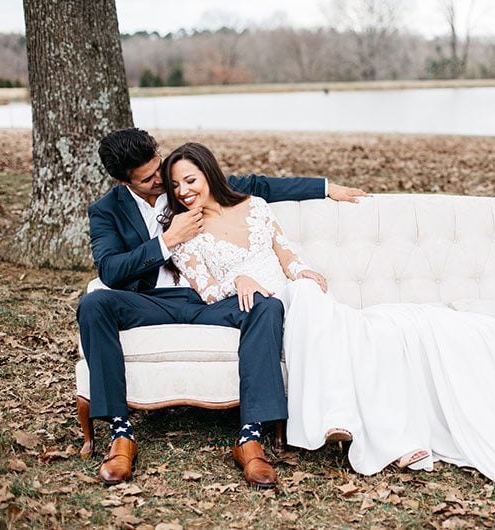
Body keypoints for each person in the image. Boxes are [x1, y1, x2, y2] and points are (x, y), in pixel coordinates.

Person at [161, 141, 495, 527]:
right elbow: (206, 289)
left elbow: (287, 254)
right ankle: (392, 435)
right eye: (175, 184)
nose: (184, 190)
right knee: (346, 323)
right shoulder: (185, 230)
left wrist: (306, 271)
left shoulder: (255, 205)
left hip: (298, 296)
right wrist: (243, 280)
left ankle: (398, 431)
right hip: (260, 308)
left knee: (392, 330)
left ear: (208, 172)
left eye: (191, 178)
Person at [76, 128, 366, 488]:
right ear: (124, 181)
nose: (161, 181)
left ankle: (250, 438)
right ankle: (121, 434)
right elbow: (112, 270)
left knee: (266, 306)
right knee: (94, 303)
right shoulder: (105, 211)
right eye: (148, 178)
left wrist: (326, 188)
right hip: (152, 303)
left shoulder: (182, 179)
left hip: (213, 300)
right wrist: (168, 240)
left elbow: (259, 187)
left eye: (158, 168)